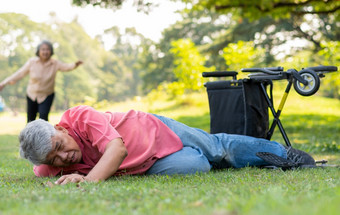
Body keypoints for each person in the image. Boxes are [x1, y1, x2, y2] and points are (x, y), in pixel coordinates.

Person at [19, 105, 316, 185]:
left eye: (60, 145)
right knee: (199, 165)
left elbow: (117, 150)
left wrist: (86, 180)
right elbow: (40, 173)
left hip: (154, 128)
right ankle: (213, 159)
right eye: (55, 159)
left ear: (60, 127)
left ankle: (283, 154)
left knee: (217, 150)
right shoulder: (46, 165)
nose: (65, 156)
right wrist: (58, 176)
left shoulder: (81, 117)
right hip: (146, 163)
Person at [0, 40, 83, 122]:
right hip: (32, 94)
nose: (45, 52)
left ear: (51, 51)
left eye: (47, 49)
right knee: (30, 118)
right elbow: (19, 73)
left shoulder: (55, 63)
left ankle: (44, 135)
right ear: (38, 51)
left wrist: (75, 64)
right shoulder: (32, 62)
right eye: (43, 49)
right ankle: (29, 135)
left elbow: (66, 67)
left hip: (47, 95)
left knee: (43, 117)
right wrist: (4, 83)